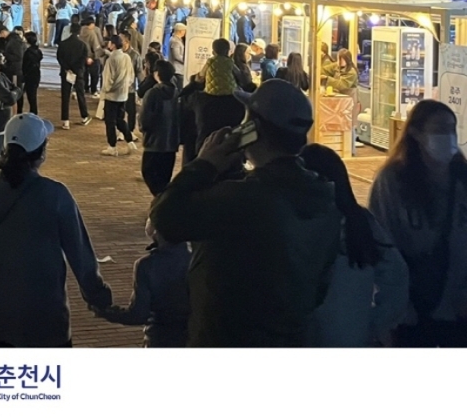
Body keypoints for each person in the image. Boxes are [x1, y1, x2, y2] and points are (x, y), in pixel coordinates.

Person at [150, 80, 341, 346]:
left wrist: (205, 163)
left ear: (253, 129)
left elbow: (165, 217)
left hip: (227, 339)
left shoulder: (246, 198)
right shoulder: (324, 199)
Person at [0, 113, 112, 347]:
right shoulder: (56, 195)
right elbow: (80, 254)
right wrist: (97, 296)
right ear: (41, 152)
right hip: (43, 315)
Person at [369, 99, 467, 347]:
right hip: (410, 308)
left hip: (457, 307)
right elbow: (383, 242)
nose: (447, 136)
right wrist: (393, 307)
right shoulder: (393, 181)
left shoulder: (462, 179)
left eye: (451, 129)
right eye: (439, 129)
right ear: (415, 133)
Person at [301, 144, 409, 346]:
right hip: (352, 335)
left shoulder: (290, 220)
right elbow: (396, 274)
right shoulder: (359, 221)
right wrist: (378, 323)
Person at [90, 217, 191, 347]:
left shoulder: (147, 265)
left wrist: (106, 312)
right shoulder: (195, 260)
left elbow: (138, 315)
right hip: (193, 336)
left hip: (160, 337)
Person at [190, 38, 245, 153]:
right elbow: (239, 75)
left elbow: (201, 76)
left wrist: (197, 79)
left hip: (211, 93)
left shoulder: (210, 61)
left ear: (213, 51)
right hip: (229, 93)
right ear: (228, 51)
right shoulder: (230, 62)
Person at [138, 60, 181, 197]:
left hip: (154, 143)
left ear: (157, 74)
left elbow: (144, 118)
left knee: (149, 173)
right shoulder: (177, 94)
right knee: (164, 178)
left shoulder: (152, 93)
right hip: (171, 143)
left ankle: (160, 201)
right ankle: (161, 200)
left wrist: (144, 130)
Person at [99, 36, 136, 157]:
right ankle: (130, 141)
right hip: (123, 94)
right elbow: (131, 76)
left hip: (112, 96)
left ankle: (112, 147)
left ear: (113, 45)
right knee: (120, 119)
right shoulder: (127, 57)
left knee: (110, 122)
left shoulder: (111, 59)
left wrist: (105, 91)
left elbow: (108, 79)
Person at [56, 20, 91, 130]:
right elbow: (83, 59)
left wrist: (67, 68)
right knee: (80, 95)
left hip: (66, 73)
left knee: (65, 96)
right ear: (79, 32)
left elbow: (59, 58)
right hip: (78, 73)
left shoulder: (63, 44)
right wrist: (76, 69)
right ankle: (84, 116)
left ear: (70, 31)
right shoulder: (82, 45)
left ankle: (65, 121)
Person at [119, 28, 142, 134]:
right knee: (119, 111)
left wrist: (141, 88)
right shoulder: (117, 53)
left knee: (131, 111)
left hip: (130, 88)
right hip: (118, 88)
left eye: (121, 39)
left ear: (127, 41)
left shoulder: (135, 55)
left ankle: (131, 130)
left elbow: (139, 72)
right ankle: (121, 130)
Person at [22, 31, 42, 115]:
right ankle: (34, 113)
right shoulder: (38, 51)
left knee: (30, 96)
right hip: (36, 75)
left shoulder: (28, 52)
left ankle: (32, 113)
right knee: (32, 96)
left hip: (29, 76)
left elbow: (25, 65)